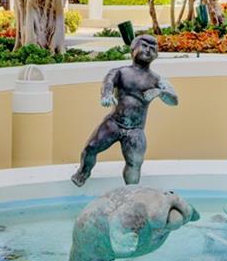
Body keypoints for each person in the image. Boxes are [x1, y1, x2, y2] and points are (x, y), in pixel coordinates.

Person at [72, 34, 179, 186]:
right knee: (90, 148)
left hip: (136, 130)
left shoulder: (156, 79)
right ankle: (83, 172)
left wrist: (161, 93)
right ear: (133, 48)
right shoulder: (121, 72)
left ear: (156, 55)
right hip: (114, 123)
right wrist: (106, 95)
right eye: (144, 46)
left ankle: (131, 191)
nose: (148, 50)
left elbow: (174, 100)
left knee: (135, 163)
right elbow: (108, 82)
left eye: (152, 48)